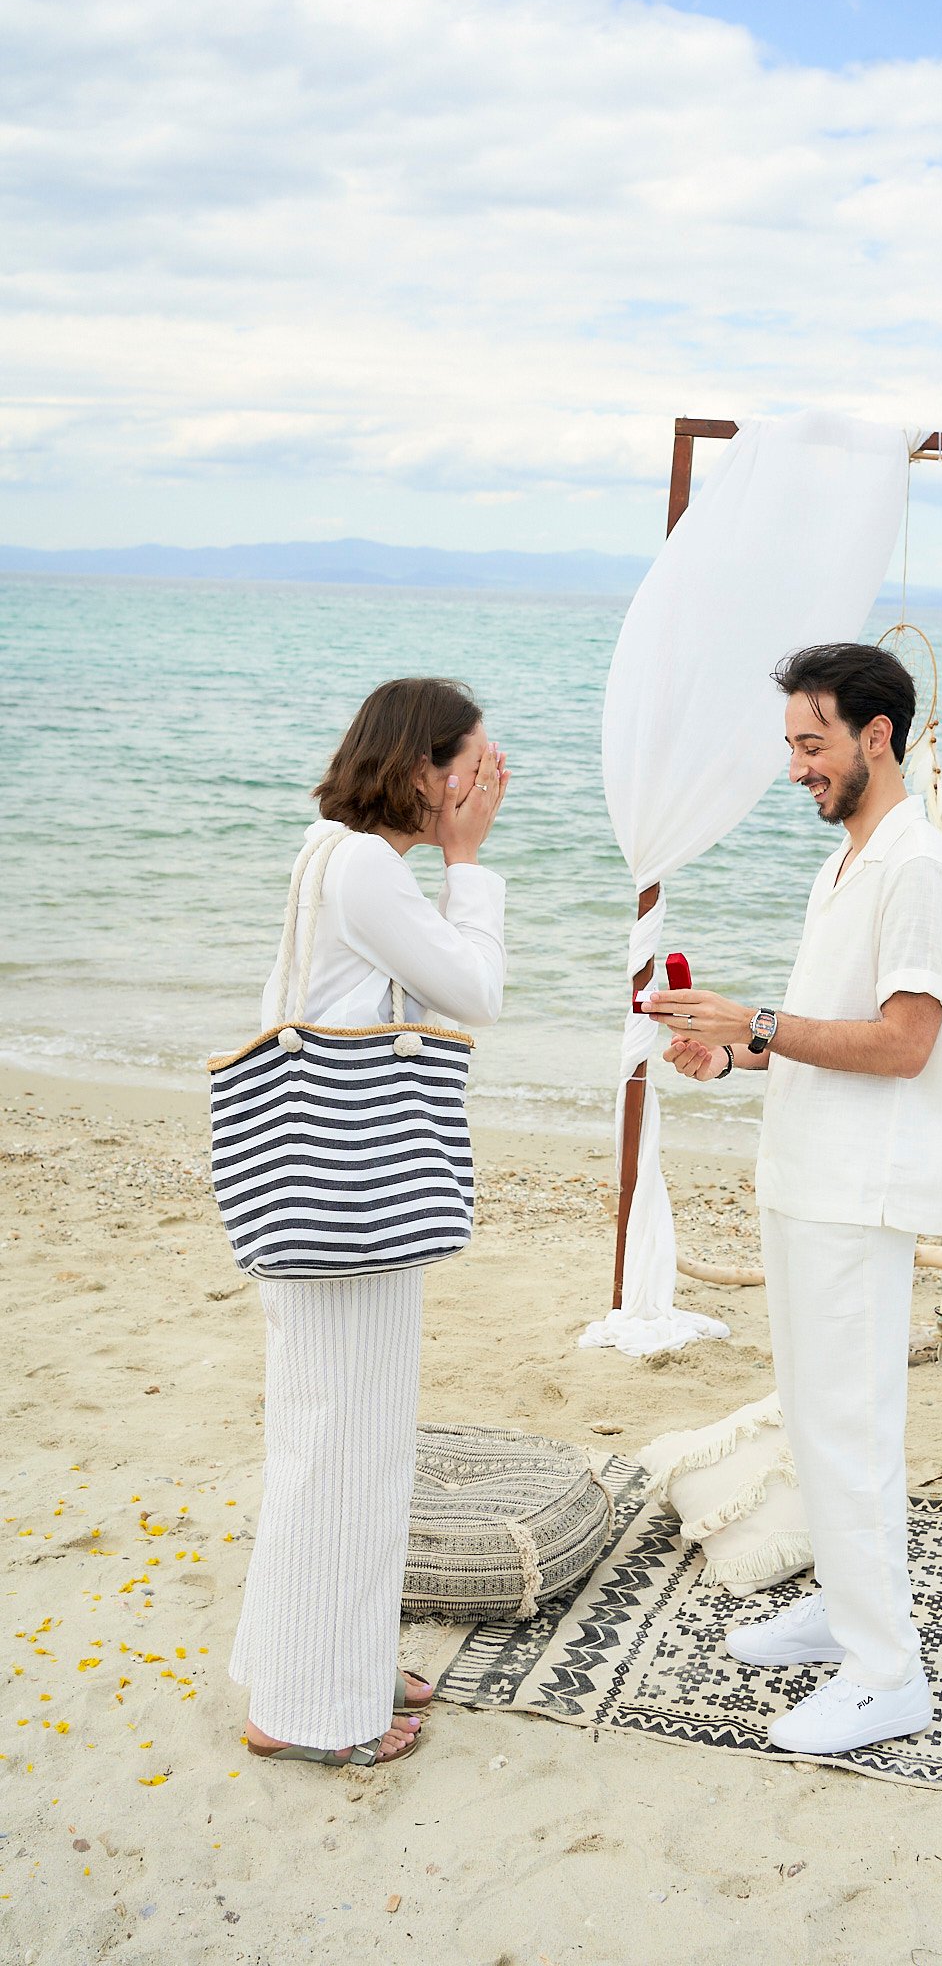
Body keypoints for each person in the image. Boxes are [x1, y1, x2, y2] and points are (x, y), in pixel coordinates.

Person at [645, 641, 942, 1756]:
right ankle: (845, 1607)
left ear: (877, 738)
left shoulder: (916, 867)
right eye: (791, 744)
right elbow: (824, 1034)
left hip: (857, 1194)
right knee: (819, 1417)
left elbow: (904, 1044)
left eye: (811, 744)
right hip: (803, 1180)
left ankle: (888, 1676)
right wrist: (734, 1056)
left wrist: (759, 1025)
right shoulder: (845, 863)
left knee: (850, 1431)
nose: (796, 768)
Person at [229, 677, 510, 1768]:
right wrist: (471, 863)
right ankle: (308, 1711)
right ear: (419, 768)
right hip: (350, 1202)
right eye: (472, 766)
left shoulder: (333, 854)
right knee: (345, 1448)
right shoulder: (369, 869)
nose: (484, 786)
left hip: (323, 1192)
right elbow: (475, 992)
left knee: (328, 1436)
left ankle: (316, 1661)